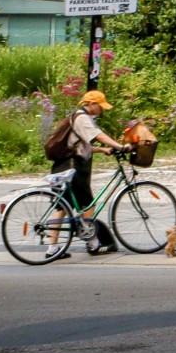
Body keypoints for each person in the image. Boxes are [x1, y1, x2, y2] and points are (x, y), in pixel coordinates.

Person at [57, 89, 129, 253]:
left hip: (66, 164)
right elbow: (99, 136)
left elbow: (80, 144)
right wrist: (119, 146)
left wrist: (103, 150)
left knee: (62, 207)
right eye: (100, 106)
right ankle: (92, 242)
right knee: (88, 203)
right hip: (75, 166)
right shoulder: (82, 118)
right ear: (91, 104)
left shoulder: (80, 116)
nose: (102, 109)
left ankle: (52, 248)